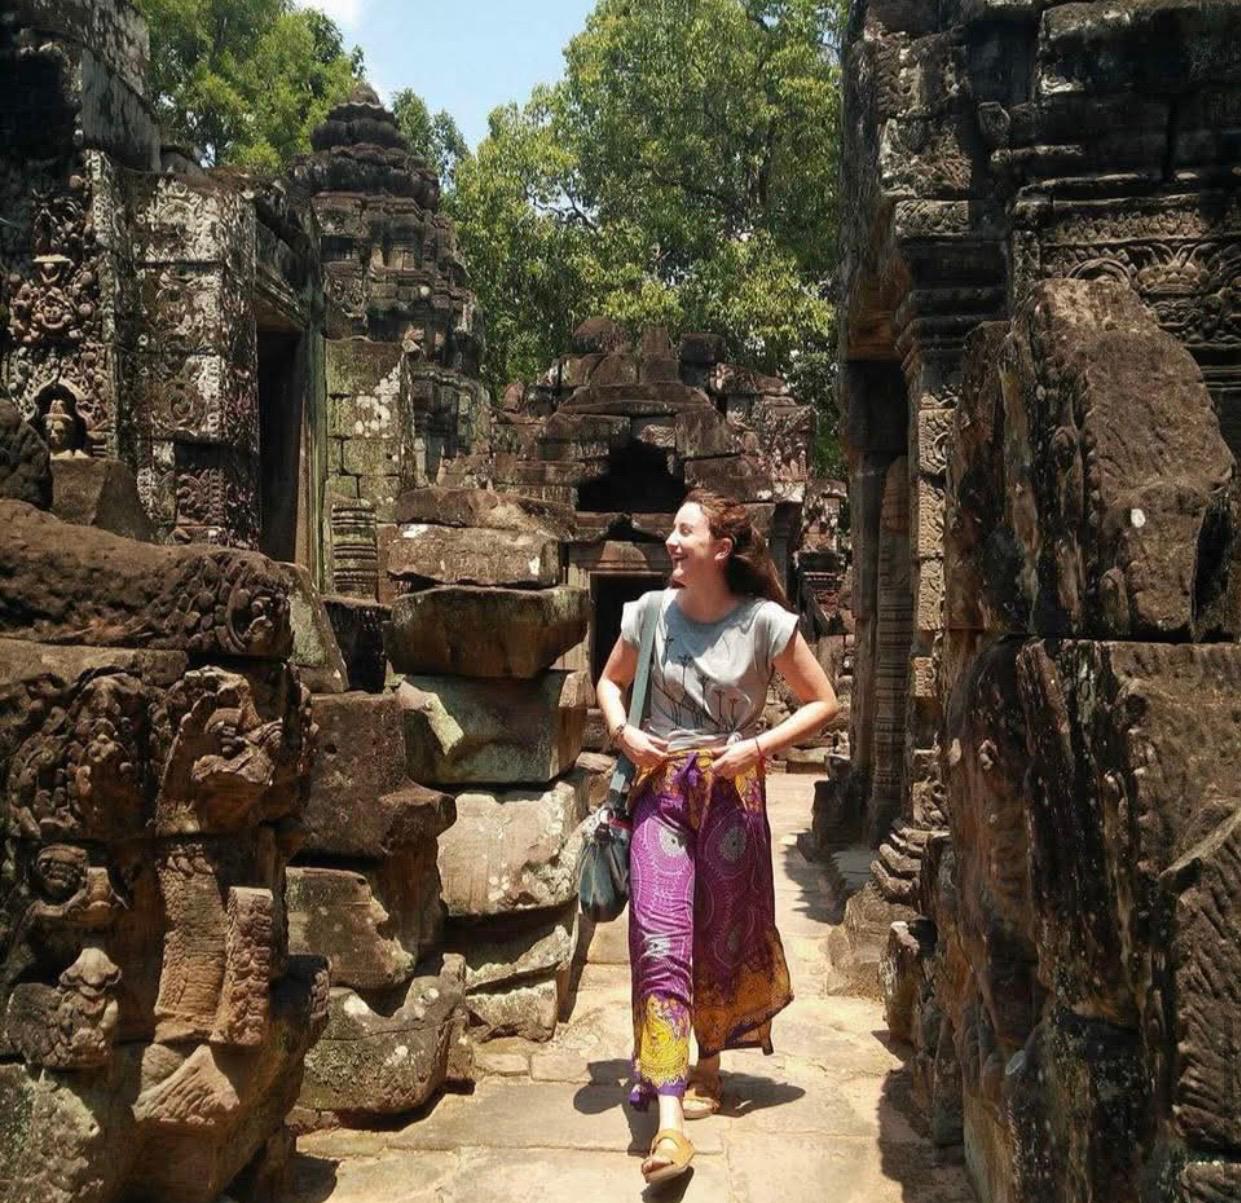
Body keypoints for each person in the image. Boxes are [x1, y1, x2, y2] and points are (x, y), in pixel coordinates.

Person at [596, 488, 841, 1185]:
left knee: (720, 936)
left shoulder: (765, 623)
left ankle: (708, 1063)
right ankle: (670, 1120)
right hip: (660, 791)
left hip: (732, 793)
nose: (670, 542)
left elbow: (823, 701)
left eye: (685, 531)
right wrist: (623, 731)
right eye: (672, 531)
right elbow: (609, 683)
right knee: (660, 936)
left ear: (721, 548)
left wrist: (757, 747)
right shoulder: (648, 614)